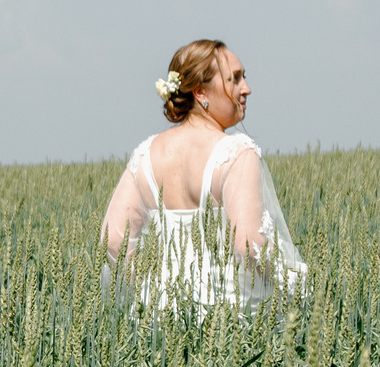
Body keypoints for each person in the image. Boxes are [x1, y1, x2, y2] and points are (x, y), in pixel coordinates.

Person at [100, 39, 307, 308]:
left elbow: (112, 240)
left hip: (159, 320)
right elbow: (248, 245)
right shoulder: (236, 153)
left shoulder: (145, 155)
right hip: (228, 319)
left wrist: (153, 293)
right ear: (200, 92)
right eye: (235, 79)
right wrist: (295, 287)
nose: (246, 88)